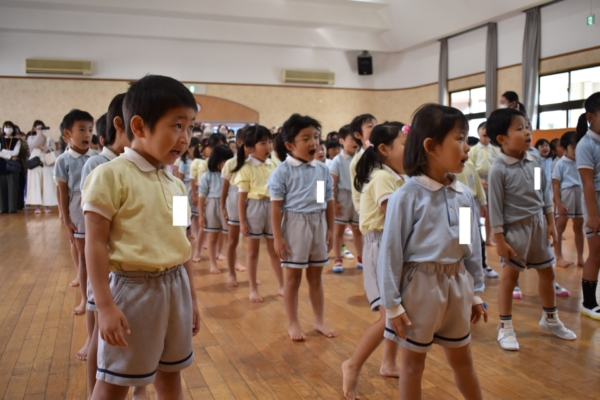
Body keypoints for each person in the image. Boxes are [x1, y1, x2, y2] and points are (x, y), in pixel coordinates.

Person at [83, 75, 200, 400]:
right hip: (133, 290)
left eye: (190, 127)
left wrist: (192, 297)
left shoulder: (176, 184)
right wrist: (104, 306)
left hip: (175, 287)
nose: (185, 137)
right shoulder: (109, 176)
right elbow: (93, 244)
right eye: (177, 125)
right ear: (138, 126)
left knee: (169, 376)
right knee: (115, 383)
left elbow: (183, 243)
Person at [378, 104, 486, 400]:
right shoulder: (406, 196)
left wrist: (475, 291)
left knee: (463, 360)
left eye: (466, 139)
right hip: (420, 288)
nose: (467, 147)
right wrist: (392, 304)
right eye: (460, 138)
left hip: (457, 285)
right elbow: (390, 254)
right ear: (431, 146)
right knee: (413, 365)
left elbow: (470, 247)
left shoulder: (464, 195)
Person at [486, 107, 576, 351]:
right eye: (519, 129)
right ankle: (504, 326)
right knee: (509, 277)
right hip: (515, 230)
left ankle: (550, 318)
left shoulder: (535, 158)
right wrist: (500, 240)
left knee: (548, 273)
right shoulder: (499, 170)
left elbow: (542, 192)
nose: (527, 132)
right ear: (502, 139)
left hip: (538, 225)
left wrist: (549, 222)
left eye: (527, 127)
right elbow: (495, 209)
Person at [342, 122, 406, 400]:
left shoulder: (391, 174)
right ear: (384, 149)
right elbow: (395, 217)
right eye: (405, 145)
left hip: (391, 245)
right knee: (388, 315)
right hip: (382, 245)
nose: (411, 150)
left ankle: (388, 362)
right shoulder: (382, 177)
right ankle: (352, 364)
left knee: (395, 313)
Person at [268, 114, 337, 341]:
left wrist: (330, 229)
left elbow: (325, 201)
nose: (313, 142)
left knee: (316, 277)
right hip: (295, 225)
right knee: (292, 278)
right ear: (290, 145)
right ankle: (293, 323)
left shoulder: (322, 170)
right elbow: (276, 207)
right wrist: (277, 237)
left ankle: (319, 321)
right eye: (305, 138)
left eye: (316, 137)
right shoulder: (282, 171)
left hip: (317, 223)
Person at [233, 125, 284, 301]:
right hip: (254, 209)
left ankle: (282, 285)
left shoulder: (275, 163)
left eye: (270, 141)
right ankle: (253, 288)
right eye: (263, 143)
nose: (268, 146)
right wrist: (242, 221)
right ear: (250, 147)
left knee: (275, 250)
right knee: (252, 252)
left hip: (273, 207)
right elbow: (242, 198)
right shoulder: (246, 168)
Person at [54, 109, 97, 316]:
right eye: (81, 129)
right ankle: (85, 299)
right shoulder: (63, 161)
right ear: (67, 135)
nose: (87, 134)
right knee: (83, 257)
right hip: (77, 212)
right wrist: (66, 219)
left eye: (90, 129)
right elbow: (62, 192)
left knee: (99, 255)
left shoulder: (97, 157)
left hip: (97, 208)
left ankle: (101, 296)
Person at [459, 136, 499, 280]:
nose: (466, 149)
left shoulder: (469, 165)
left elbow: (477, 186)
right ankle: (465, 271)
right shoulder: (451, 168)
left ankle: (482, 266)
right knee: (465, 240)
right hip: (462, 208)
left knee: (478, 239)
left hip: (473, 204)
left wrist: (483, 203)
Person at [575, 92, 600, 320]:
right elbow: (587, 182)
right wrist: (593, 214)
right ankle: (588, 302)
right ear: (590, 117)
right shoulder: (586, 144)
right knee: (596, 253)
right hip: (595, 203)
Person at [329, 125, 362, 273]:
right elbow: (333, 183)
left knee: (357, 230)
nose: (355, 142)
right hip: (342, 196)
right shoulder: (337, 160)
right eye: (351, 139)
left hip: (357, 195)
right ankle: (337, 260)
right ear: (341, 141)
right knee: (338, 231)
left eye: (357, 138)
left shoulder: (360, 157)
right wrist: (334, 202)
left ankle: (361, 258)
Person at [198, 145, 234, 274]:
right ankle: (213, 264)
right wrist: (201, 215)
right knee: (212, 238)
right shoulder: (207, 176)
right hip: (212, 207)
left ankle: (234, 263)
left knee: (229, 238)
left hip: (226, 206)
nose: (227, 164)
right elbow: (201, 197)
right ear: (217, 161)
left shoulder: (231, 176)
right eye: (225, 161)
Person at [552, 131, 585, 269]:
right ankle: (558, 257)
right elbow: (555, 184)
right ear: (565, 148)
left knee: (579, 228)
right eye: (573, 147)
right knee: (559, 228)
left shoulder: (583, 161)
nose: (577, 150)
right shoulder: (560, 163)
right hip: (566, 195)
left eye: (579, 146)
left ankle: (580, 257)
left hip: (580, 195)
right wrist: (558, 203)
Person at [221, 127, 248, 287]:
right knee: (233, 240)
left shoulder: (257, 163)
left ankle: (251, 277)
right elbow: (224, 190)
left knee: (253, 244)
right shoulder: (231, 163)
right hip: (233, 201)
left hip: (251, 203)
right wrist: (223, 208)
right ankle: (231, 273)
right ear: (240, 142)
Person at [470, 121, 499, 247]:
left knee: (490, 212)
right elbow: (470, 168)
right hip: (477, 180)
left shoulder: (496, 150)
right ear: (478, 132)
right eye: (482, 128)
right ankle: (478, 239)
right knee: (475, 211)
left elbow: (499, 167)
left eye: (488, 129)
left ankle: (488, 238)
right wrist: (479, 181)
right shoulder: (473, 150)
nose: (485, 131)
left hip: (492, 181)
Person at [27, 120, 58, 214]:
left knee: (47, 184)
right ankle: (36, 206)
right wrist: (39, 135)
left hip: (46, 163)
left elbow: (53, 149)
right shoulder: (31, 137)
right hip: (35, 163)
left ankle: (47, 206)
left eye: (42, 128)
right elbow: (33, 145)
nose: (41, 130)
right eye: (38, 128)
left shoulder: (49, 139)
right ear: (34, 129)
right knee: (36, 184)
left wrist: (46, 148)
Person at [349, 114, 377, 212]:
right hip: (369, 207)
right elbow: (356, 188)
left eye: (376, 125)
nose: (376, 128)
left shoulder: (382, 152)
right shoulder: (357, 161)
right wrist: (359, 209)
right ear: (358, 135)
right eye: (370, 126)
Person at [177, 136, 201, 241]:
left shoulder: (199, 161)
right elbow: (180, 179)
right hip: (186, 186)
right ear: (189, 148)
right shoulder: (184, 162)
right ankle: (180, 234)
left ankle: (194, 232)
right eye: (195, 147)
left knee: (195, 212)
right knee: (182, 213)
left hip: (196, 187)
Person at [0, 121, 22, 213]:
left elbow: (16, 152)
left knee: (13, 187)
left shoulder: (17, 140)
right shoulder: (0, 139)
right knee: (2, 188)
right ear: (3, 128)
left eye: (9, 127)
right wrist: (10, 156)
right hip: (1, 165)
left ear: (13, 129)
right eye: (6, 127)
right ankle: (3, 208)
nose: (8, 128)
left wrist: (4, 151)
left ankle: (12, 208)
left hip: (13, 167)